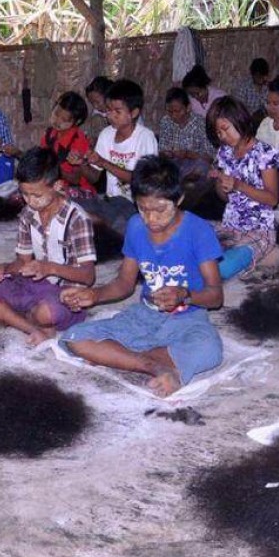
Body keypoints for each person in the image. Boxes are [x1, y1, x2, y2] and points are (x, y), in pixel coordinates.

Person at [59, 156, 224, 397]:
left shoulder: (198, 231)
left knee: (209, 350)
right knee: (75, 337)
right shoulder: (136, 226)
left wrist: (184, 295)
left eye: (160, 210)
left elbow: (216, 297)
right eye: (143, 209)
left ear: (178, 200)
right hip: (145, 315)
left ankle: (122, 357)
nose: (151, 219)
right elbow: (124, 284)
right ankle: (154, 365)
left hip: (187, 318)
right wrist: (94, 295)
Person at [0, 148, 96, 345]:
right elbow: (22, 262)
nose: (30, 201)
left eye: (36, 195)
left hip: (64, 291)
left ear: (58, 186)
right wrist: (3, 269)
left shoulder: (77, 219)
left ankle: (10, 316)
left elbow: (88, 276)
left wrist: (49, 267)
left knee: (47, 313)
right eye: (25, 194)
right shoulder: (28, 214)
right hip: (30, 285)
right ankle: (31, 327)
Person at [69, 79, 159, 236]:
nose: (110, 116)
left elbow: (140, 180)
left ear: (134, 113)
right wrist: (82, 163)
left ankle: (105, 228)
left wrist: (103, 162)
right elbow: (94, 178)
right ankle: (101, 225)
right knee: (69, 205)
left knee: (125, 225)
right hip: (111, 201)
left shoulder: (145, 137)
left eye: (117, 111)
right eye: (109, 110)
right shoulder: (106, 135)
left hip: (136, 204)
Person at [206, 97, 279, 280]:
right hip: (231, 226)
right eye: (218, 132)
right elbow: (224, 197)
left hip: (260, 229)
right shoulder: (225, 152)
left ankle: (263, 253)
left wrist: (238, 185)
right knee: (193, 251)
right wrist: (221, 183)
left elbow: (272, 199)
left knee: (220, 269)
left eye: (225, 129)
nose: (222, 136)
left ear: (239, 120)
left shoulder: (264, 152)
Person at [35, 91, 96, 196]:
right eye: (56, 114)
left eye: (64, 119)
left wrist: (51, 169)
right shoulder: (50, 133)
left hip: (79, 190)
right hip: (56, 185)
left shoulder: (78, 140)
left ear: (76, 122)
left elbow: (75, 179)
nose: (57, 121)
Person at [157, 87, 214, 184]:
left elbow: (210, 156)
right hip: (173, 163)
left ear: (188, 108)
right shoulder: (165, 121)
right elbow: (161, 150)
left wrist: (187, 154)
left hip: (194, 163)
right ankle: (180, 181)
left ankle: (188, 181)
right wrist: (167, 153)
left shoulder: (200, 123)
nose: (174, 116)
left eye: (178, 111)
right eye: (170, 112)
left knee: (203, 166)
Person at [83, 75, 114, 144]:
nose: (95, 106)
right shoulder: (97, 113)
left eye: (97, 102)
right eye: (92, 103)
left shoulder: (121, 113)